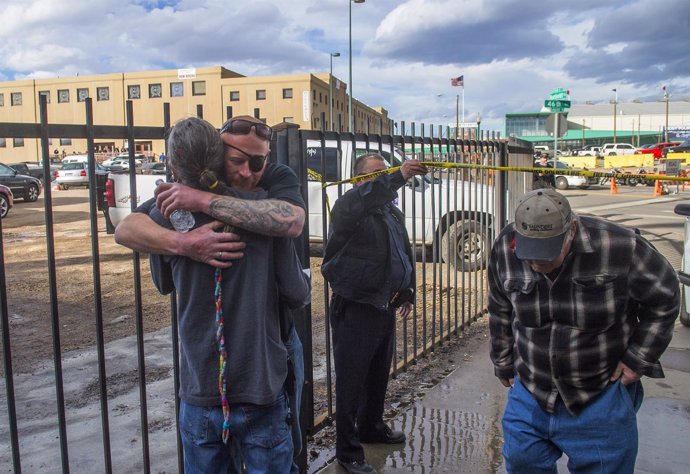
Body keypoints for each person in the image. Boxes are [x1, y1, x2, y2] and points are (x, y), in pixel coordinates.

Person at [115, 116, 309, 473]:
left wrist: (191, 217)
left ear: (174, 164)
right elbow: (298, 292)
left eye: (259, 162)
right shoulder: (260, 214)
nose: (251, 172)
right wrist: (185, 244)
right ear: (218, 155)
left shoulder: (168, 213)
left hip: (201, 387)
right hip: (259, 385)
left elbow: (164, 284)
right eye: (239, 161)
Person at [487, 188, 680, 474]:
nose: (537, 264)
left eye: (547, 252)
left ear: (572, 230)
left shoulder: (621, 246)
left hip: (599, 393)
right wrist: (502, 361)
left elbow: (664, 298)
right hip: (531, 390)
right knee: (522, 462)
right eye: (529, 253)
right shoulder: (505, 245)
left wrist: (638, 358)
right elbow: (500, 304)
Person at [321, 154, 428, 474]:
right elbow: (366, 198)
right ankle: (348, 451)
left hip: (384, 305)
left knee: (377, 374)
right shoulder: (348, 207)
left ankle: (371, 427)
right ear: (358, 181)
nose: (387, 177)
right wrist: (399, 175)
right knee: (351, 383)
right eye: (378, 173)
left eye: (389, 171)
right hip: (356, 306)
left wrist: (407, 289)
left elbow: (402, 253)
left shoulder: (389, 212)